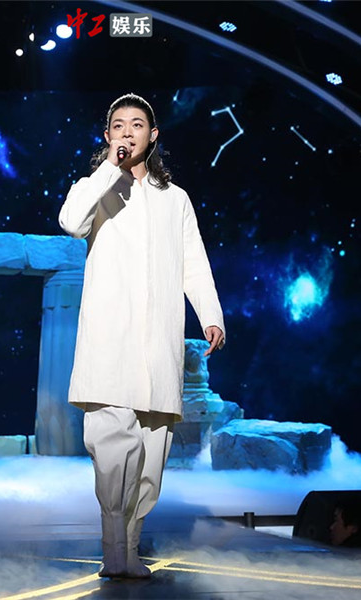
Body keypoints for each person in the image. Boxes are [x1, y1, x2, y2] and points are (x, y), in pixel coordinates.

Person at [59, 93, 226, 579]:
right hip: (110, 343)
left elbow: (194, 262)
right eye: (118, 125)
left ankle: (129, 548)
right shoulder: (95, 187)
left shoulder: (176, 199)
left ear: (153, 136)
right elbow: (71, 222)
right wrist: (108, 170)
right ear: (107, 136)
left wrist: (210, 314)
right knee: (115, 451)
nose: (127, 132)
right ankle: (114, 553)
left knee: (151, 461)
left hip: (158, 346)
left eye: (136, 124)